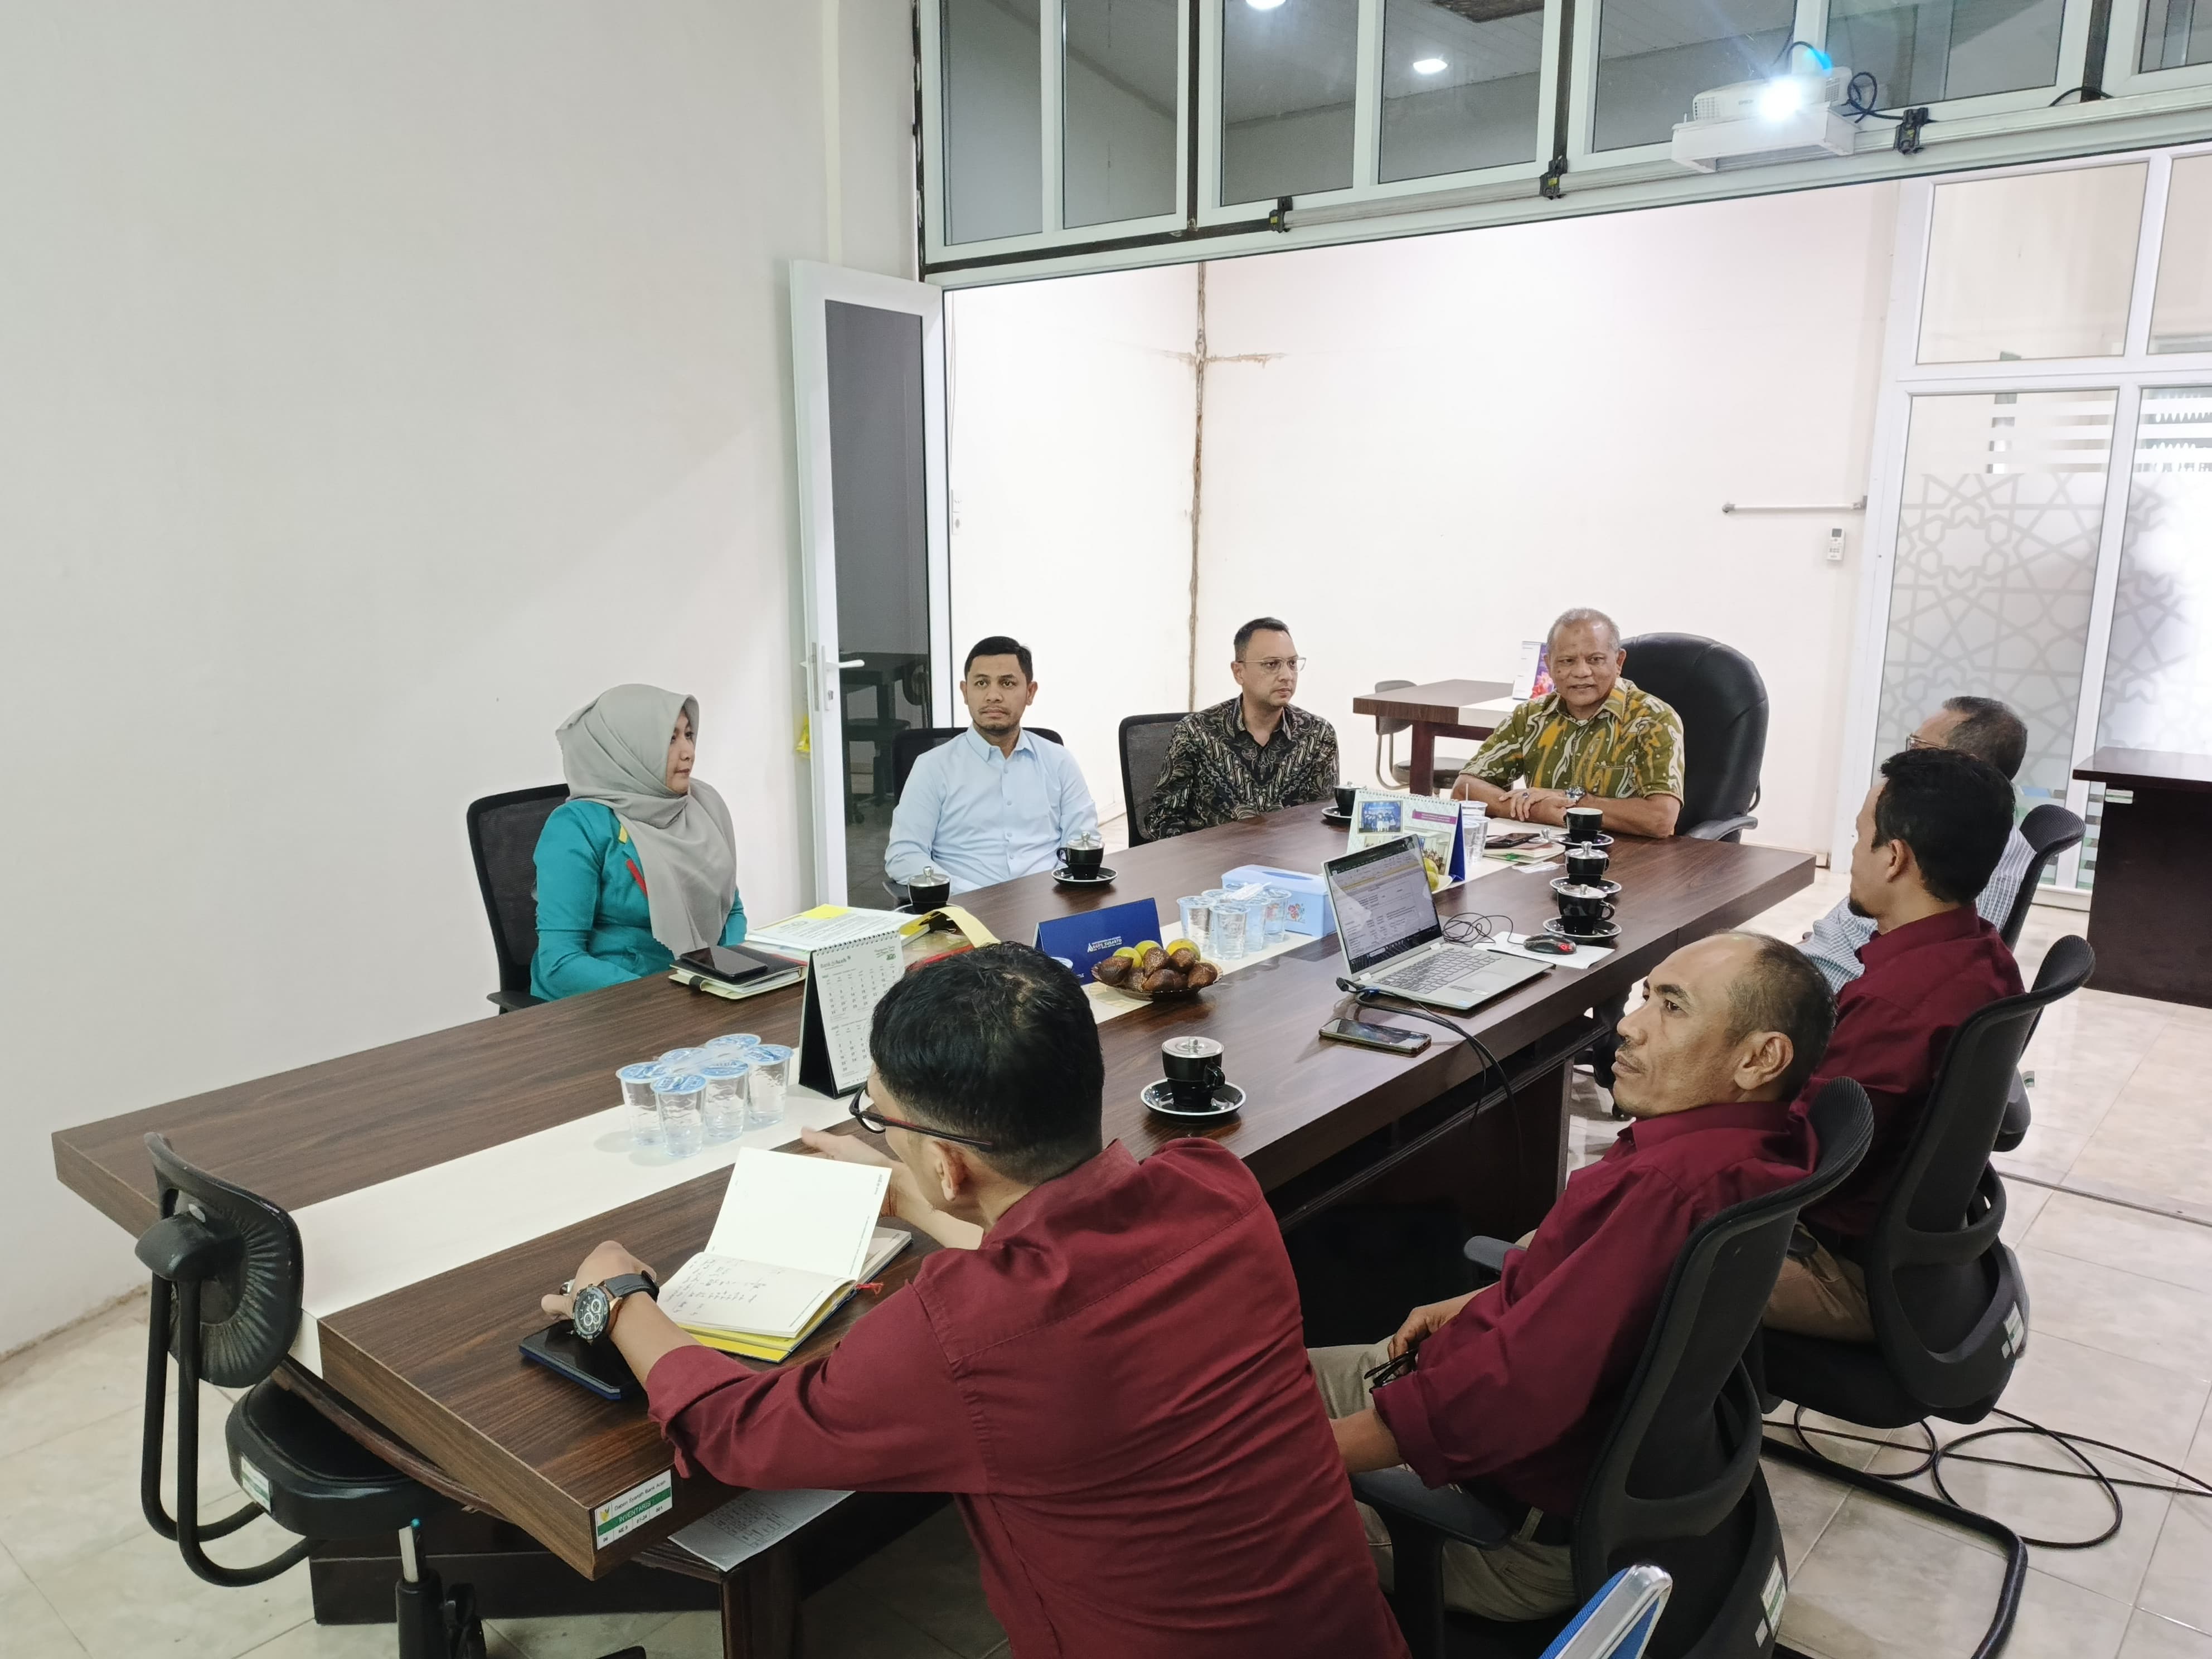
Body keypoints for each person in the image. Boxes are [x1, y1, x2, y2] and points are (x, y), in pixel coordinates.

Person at [542, 944, 1406, 1659]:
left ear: (954, 1163)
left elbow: (737, 1432)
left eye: (881, 1121)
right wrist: (910, 1198)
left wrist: (618, 1295)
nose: (880, 1133)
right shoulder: (1214, 1187)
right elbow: (1071, 1274)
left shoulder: (964, 1334)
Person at [1311, 932, 1831, 1621]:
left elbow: (1513, 1392)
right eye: (1647, 995)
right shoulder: (1752, 1145)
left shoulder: (1666, 1191)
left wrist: (1312, 1456)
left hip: (1497, 1529)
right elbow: (1590, 1297)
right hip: (1473, 1410)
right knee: (1237, 1393)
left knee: (1209, 1501)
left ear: (1759, 1057)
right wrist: (1488, 1298)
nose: (1629, 1024)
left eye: (1672, 1008)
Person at [1765, 747, 2021, 1343]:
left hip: (1841, 1268)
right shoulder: (1984, 957)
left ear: (1894, 857)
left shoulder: (1896, 1003)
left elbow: (1803, 1160)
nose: (1852, 855)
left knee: (1599, 1247)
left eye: (1859, 839)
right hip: (1900, 1250)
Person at [1801, 695, 2035, 993]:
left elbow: (1927, 973)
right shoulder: (1964, 828)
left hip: (1831, 991)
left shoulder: (1971, 854)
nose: (1907, 757)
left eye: (1919, 747)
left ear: (1959, 764)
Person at [530, 685, 746, 1000]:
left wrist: (731, 975)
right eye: (670, 739)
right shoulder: (577, 827)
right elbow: (560, 963)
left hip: (701, 990)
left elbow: (731, 909)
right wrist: (666, 996)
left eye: (688, 734)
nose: (688, 752)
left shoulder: (702, 806)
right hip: (611, 1002)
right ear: (627, 748)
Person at [884, 636, 1098, 896]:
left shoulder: (1059, 761)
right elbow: (904, 854)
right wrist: (965, 897)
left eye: (1007, 683)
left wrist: (1058, 892)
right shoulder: (933, 767)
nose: (993, 696)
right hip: (963, 913)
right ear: (965, 692)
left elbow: (1084, 841)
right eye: (981, 683)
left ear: (1030, 692)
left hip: (1048, 906)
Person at [1451, 608, 1684, 838]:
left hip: (1631, 860)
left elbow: (1660, 819)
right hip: (1545, 855)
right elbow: (1465, 789)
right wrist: (1534, 810)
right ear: (1549, 665)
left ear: (1619, 661)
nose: (1582, 672)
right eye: (1567, 661)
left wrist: (1572, 802)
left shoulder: (1653, 719)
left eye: (1595, 660)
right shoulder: (1531, 716)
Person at [1143, 617, 1340, 841]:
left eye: (1292, 663)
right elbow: (1162, 819)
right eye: (1272, 664)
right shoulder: (1196, 732)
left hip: (1288, 866)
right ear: (1239, 672)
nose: (1287, 675)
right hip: (1212, 865)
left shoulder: (1318, 734)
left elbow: (1323, 820)